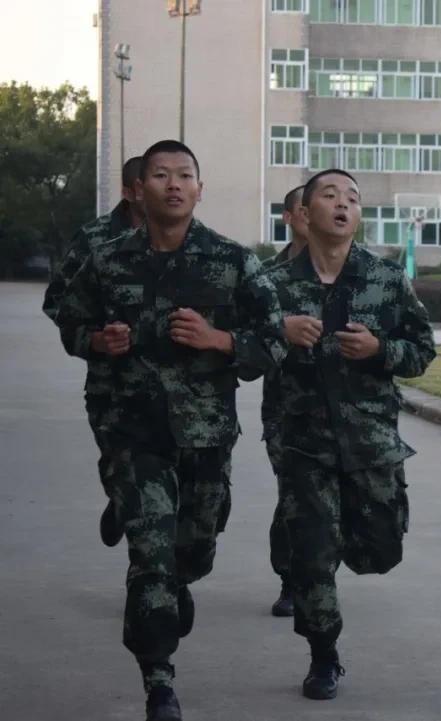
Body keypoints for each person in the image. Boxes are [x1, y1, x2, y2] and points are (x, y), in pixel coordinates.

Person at [55, 140, 286, 721]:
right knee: (150, 556)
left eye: (185, 175)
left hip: (205, 435)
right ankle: (158, 680)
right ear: (140, 189)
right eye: (161, 174)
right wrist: (95, 340)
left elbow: (275, 339)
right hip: (131, 433)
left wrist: (221, 340)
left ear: (200, 190)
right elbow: (70, 319)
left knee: (192, 551)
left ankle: (181, 582)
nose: (174, 184)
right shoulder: (106, 259)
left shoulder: (232, 261)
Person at [266, 169, 435, 701]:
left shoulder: (386, 279)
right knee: (314, 553)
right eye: (330, 195)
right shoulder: (273, 284)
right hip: (303, 442)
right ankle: (323, 654)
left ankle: (331, 545)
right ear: (304, 212)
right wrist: (278, 332)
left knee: (380, 549)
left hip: (371, 442)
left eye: (353, 198)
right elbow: (242, 352)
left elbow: (422, 351)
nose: (343, 204)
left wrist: (380, 350)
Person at [42, 156, 145, 548]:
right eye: (151, 181)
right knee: (122, 467)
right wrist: (96, 339)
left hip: (179, 391)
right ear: (130, 191)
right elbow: (58, 303)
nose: (167, 188)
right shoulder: (95, 239)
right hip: (112, 385)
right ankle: (122, 501)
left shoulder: (194, 243)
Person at [262, 184, 308, 618]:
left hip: (347, 413)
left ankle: (318, 571)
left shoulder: (361, 272)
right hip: (286, 409)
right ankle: (293, 579)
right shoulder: (265, 277)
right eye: (305, 209)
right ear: (289, 218)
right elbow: (245, 336)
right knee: (295, 492)